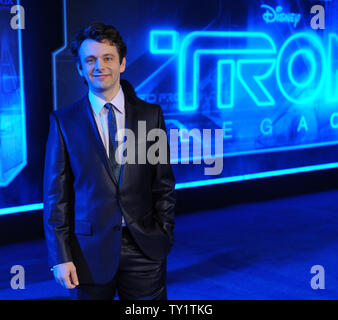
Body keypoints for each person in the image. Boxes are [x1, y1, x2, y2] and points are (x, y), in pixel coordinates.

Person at [43, 22, 176, 300]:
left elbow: (163, 183)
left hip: (144, 249)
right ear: (80, 68)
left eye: (107, 58)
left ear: (122, 63)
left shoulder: (151, 116)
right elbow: (56, 197)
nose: (99, 66)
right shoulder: (64, 122)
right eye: (90, 60)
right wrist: (60, 257)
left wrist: (163, 232)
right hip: (87, 254)